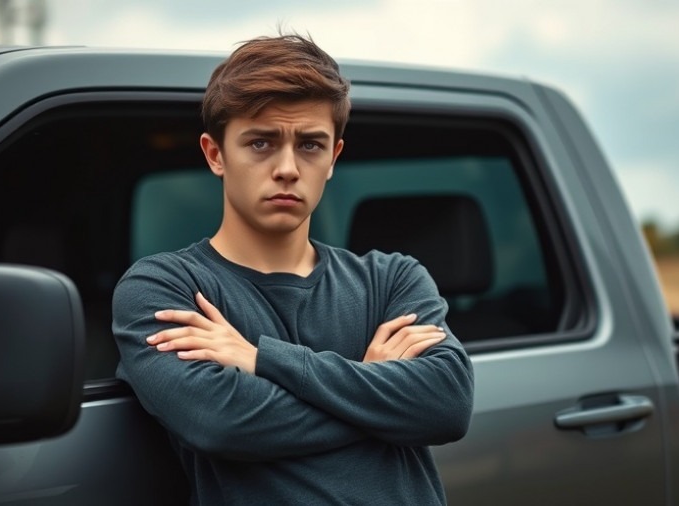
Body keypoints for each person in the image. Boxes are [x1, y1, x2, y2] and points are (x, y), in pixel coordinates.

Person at [111, 33, 474, 505]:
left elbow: (445, 404)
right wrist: (374, 386)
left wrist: (262, 359)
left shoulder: (392, 279)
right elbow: (224, 423)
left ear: (333, 158)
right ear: (215, 154)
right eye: (261, 142)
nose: (287, 167)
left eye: (309, 145)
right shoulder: (164, 288)